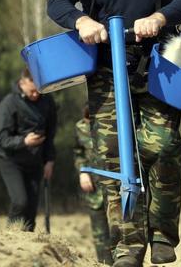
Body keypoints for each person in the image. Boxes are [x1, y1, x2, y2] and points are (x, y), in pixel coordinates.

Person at [48, 0, 181, 267]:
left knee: (163, 146)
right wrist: (81, 21)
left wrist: (161, 16)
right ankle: (127, 247)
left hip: (159, 66)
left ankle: (162, 235)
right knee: (116, 157)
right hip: (105, 68)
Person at [0, 68, 56, 232]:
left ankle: (28, 243)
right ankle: (11, 236)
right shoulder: (8, 103)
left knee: (31, 207)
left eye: (38, 90)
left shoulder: (47, 101)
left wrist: (49, 160)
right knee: (20, 201)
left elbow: (50, 133)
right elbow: (2, 139)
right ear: (22, 83)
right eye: (32, 91)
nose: (36, 94)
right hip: (11, 161)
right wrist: (24, 141)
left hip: (35, 161)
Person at [74, 103, 113, 265]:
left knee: (120, 226)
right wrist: (82, 172)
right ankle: (104, 263)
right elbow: (78, 152)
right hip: (93, 183)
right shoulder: (80, 127)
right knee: (99, 230)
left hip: (114, 181)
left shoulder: (113, 123)